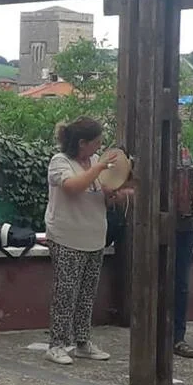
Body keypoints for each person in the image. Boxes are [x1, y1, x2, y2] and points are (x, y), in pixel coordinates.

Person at [43, 117, 131, 366]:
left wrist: (116, 194)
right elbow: (72, 187)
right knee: (65, 292)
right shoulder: (60, 162)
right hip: (66, 236)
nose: (99, 147)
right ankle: (57, 345)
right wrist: (100, 167)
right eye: (96, 142)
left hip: (94, 236)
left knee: (86, 294)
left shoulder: (94, 162)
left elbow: (102, 195)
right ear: (82, 143)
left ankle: (82, 342)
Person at [174, 146, 193, 359]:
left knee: (181, 285)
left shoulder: (185, 154)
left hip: (185, 226)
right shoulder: (146, 152)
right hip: (152, 226)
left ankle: (178, 337)